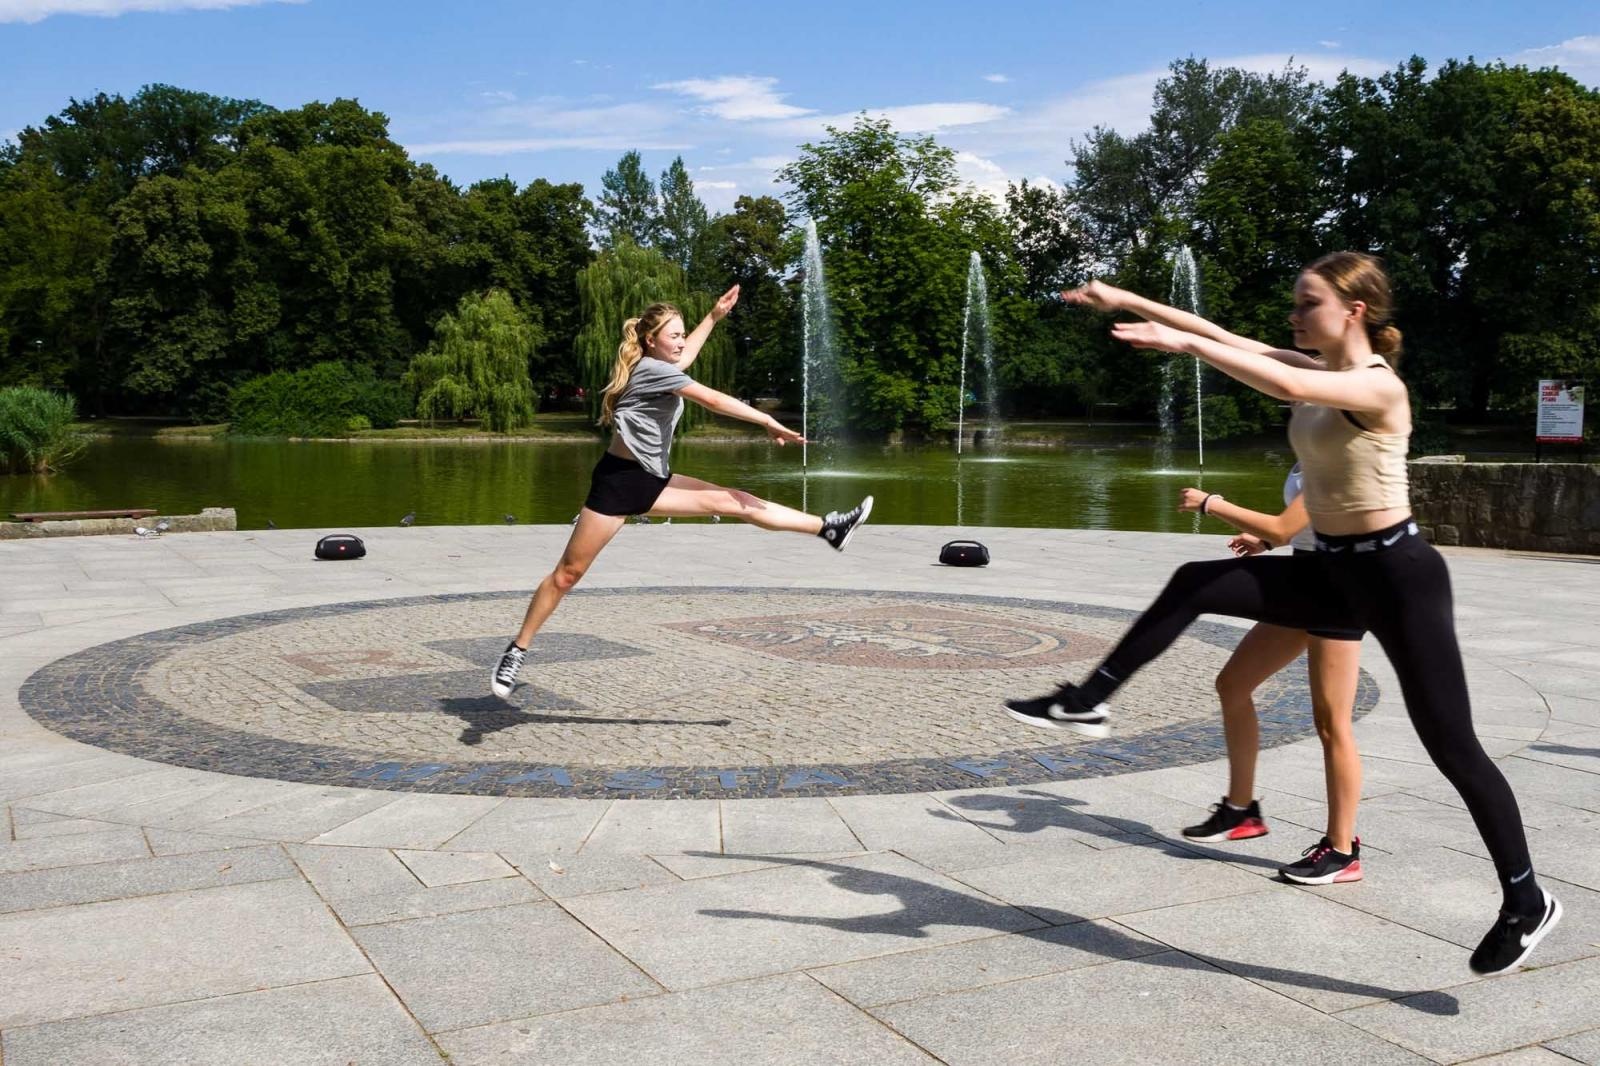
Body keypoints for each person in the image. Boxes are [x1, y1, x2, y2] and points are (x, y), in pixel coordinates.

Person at [1004, 254, 1560, 975]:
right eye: (1296, 306)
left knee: (1454, 747)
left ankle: (1527, 901)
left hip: (1398, 577)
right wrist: (1122, 297)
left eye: (1308, 303)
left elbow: (1278, 375)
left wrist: (1188, 347)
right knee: (1195, 579)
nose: (1294, 316)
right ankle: (1086, 699)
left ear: (1354, 310)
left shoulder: (1373, 386)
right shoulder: (1314, 366)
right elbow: (1216, 330)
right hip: (1332, 571)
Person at [491, 288, 872, 699]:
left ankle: (829, 528)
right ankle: (517, 649)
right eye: (674, 334)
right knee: (567, 575)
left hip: (653, 478)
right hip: (618, 483)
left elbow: (686, 357)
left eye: (683, 333)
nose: (681, 341)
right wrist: (766, 420)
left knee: (734, 500)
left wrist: (713, 316)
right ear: (651, 340)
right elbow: (709, 398)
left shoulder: (662, 364)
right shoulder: (652, 371)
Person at [1175, 472, 1366, 885]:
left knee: (1332, 723)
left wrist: (1212, 503)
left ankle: (1343, 850)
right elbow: (1298, 525)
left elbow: (1285, 524)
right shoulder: (1310, 446)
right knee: (1233, 684)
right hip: (1306, 580)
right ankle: (1241, 809)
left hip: (1340, 587)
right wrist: (1266, 542)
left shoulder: (1338, 446)